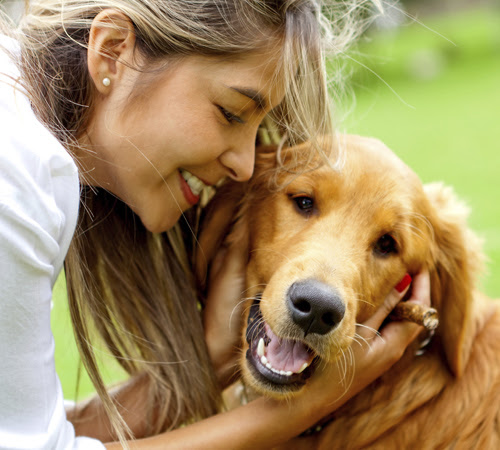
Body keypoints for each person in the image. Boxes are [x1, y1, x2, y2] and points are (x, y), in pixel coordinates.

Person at [0, 0, 431, 448]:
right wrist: (300, 410)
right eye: (230, 112)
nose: (246, 167)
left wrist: (210, 357)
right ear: (111, 51)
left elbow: (23, 429)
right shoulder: (13, 176)